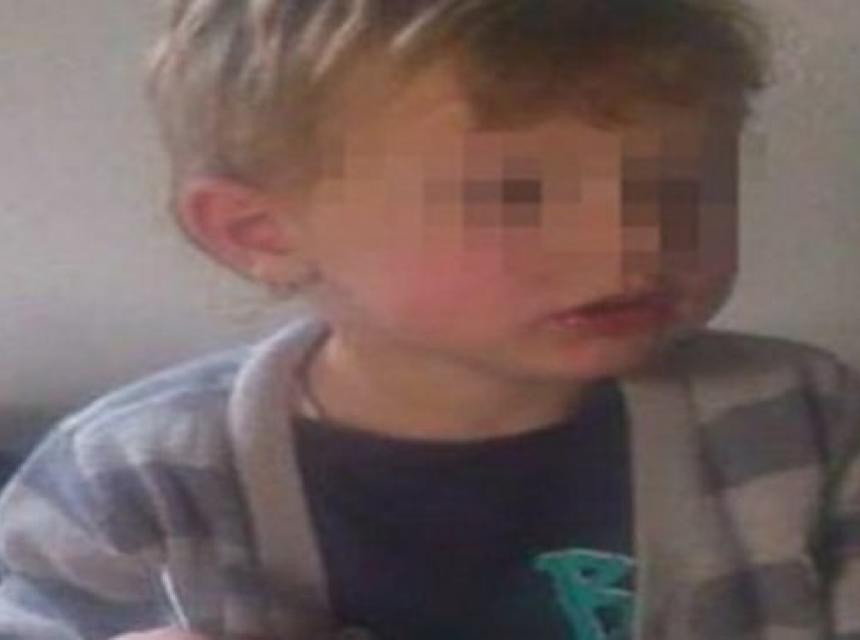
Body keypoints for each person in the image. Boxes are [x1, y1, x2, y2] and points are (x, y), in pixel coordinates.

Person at [2, 0, 859, 638]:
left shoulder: (804, 419)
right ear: (260, 233)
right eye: (515, 197)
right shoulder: (132, 483)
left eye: (683, 184)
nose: (637, 241)